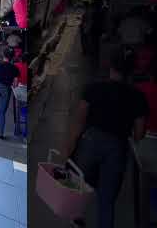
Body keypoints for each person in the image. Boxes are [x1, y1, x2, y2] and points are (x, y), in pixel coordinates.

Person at [64, 47, 149, 228]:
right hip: (118, 147)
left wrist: (69, 149)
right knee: (107, 199)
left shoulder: (94, 89)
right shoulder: (138, 97)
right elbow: (139, 134)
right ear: (132, 70)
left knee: (78, 185)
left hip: (90, 142)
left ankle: (76, 219)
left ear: (110, 66)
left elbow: (79, 121)